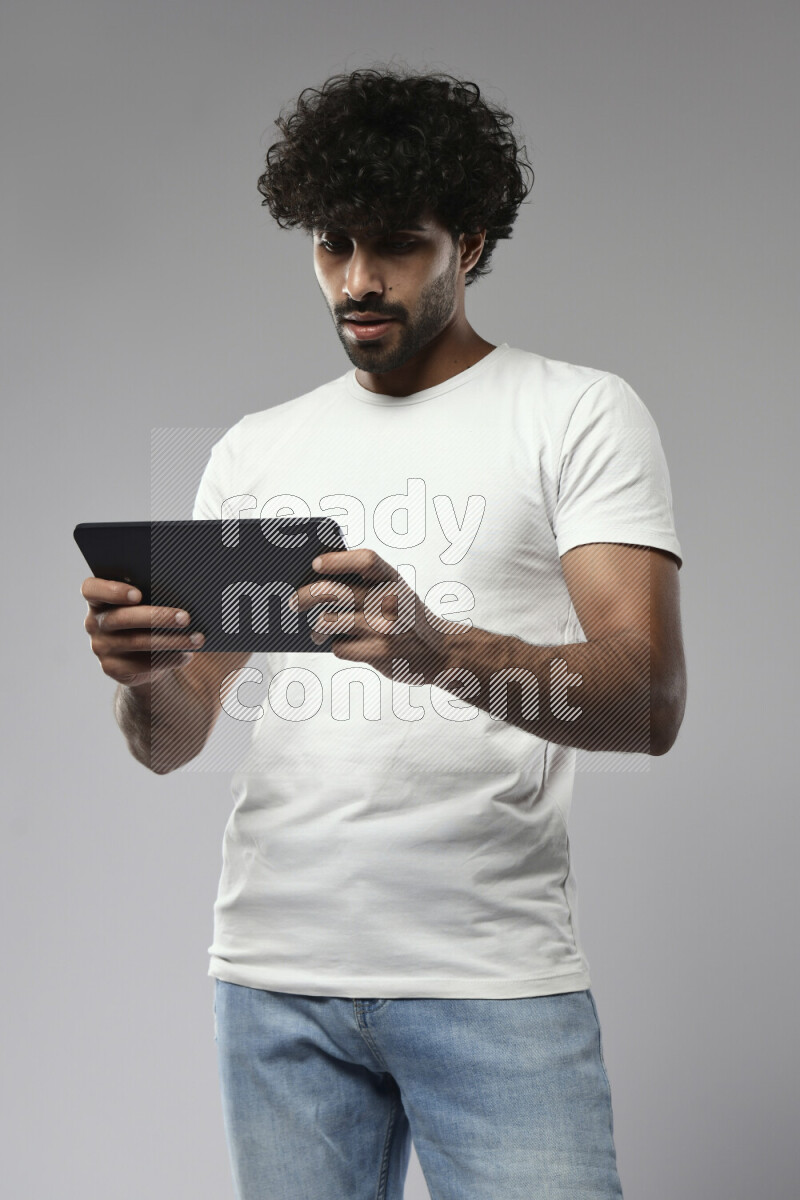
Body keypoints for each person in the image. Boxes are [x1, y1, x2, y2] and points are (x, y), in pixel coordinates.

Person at [81, 65, 686, 1200]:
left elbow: (646, 700)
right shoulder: (257, 449)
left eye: (397, 245)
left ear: (470, 236)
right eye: (331, 244)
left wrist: (437, 651)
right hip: (271, 983)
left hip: (489, 982)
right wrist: (146, 676)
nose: (357, 280)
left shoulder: (573, 413)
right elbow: (171, 740)